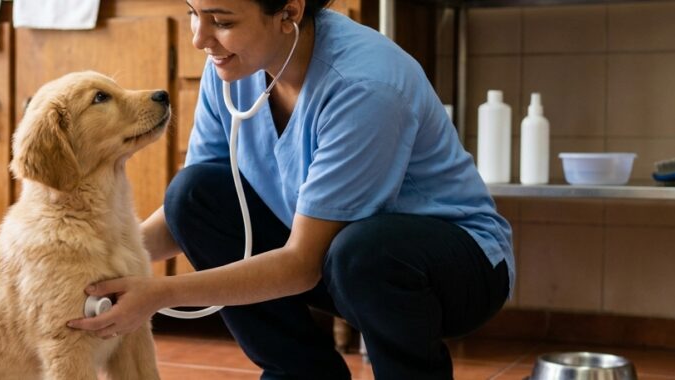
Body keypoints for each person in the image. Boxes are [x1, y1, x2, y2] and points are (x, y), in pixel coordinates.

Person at [68, 0, 514, 378]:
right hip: (332, 259)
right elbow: (193, 212)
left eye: (222, 21)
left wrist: (157, 294)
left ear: (289, 13)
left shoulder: (365, 85)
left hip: (450, 270)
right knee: (192, 193)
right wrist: (91, 268)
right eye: (193, 13)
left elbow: (302, 264)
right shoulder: (230, 65)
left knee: (363, 252)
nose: (200, 39)